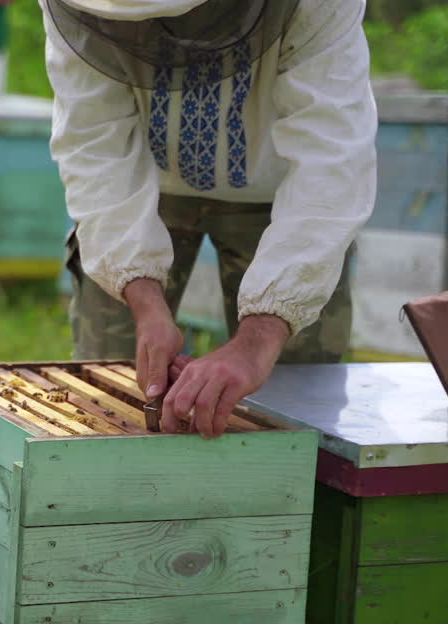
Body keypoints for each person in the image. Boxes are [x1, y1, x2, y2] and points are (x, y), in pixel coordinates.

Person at [43, 0, 377, 437]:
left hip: (281, 197)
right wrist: (143, 302)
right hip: (141, 185)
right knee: (108, 388)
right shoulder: (79, 7)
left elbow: (332, 159)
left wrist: (259, 338)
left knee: (293, 398)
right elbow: (93, 144)